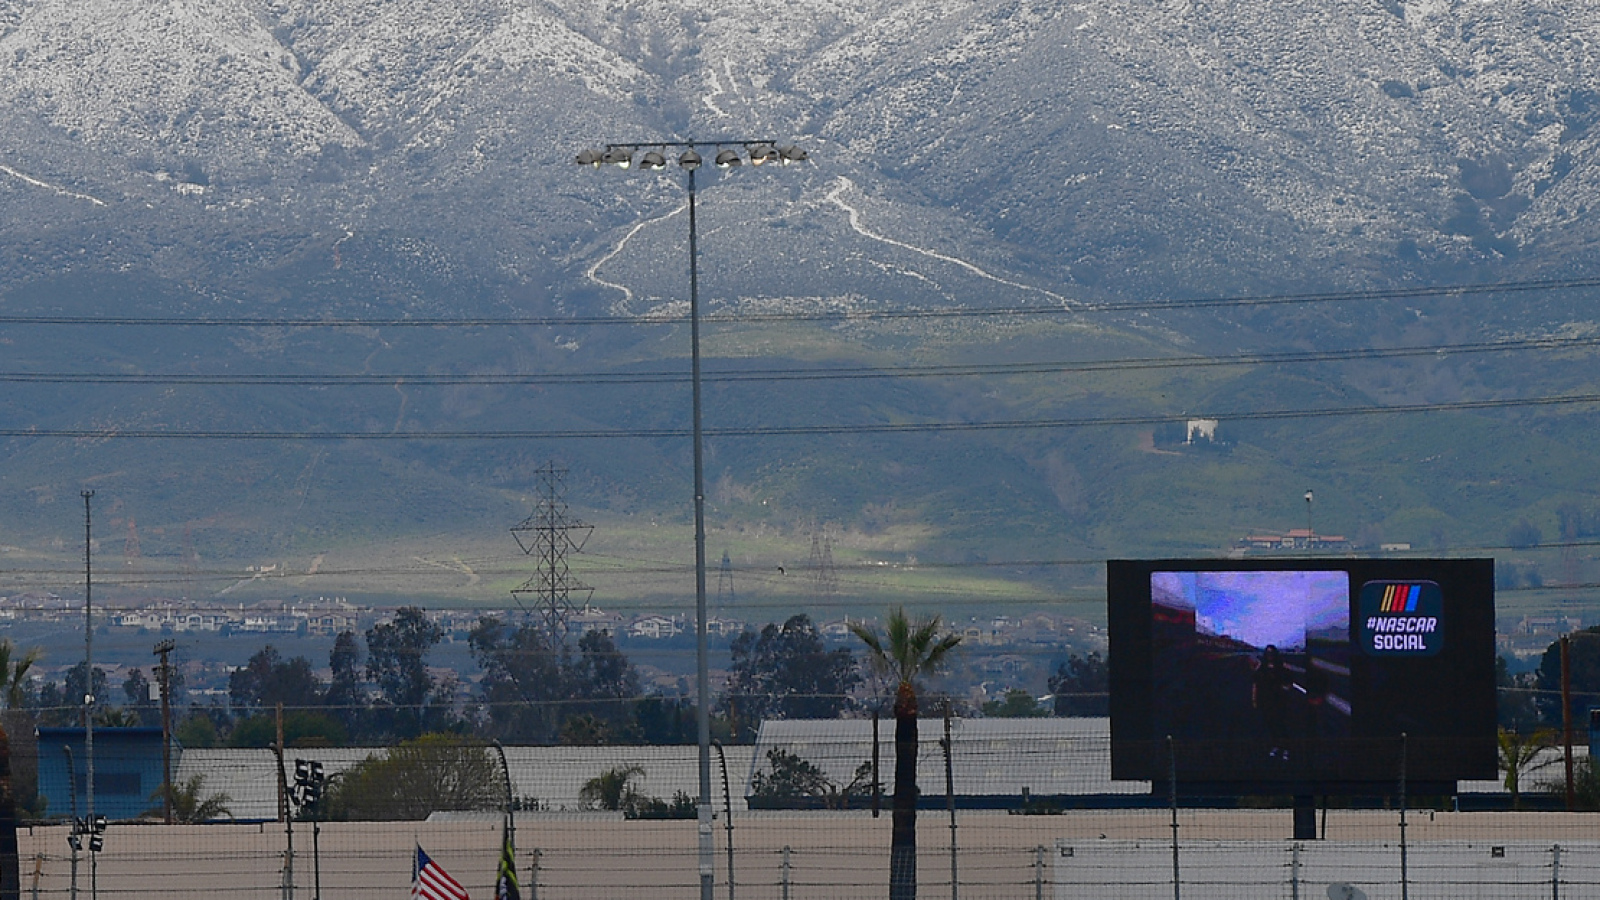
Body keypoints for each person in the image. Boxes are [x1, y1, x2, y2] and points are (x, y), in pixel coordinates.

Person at [1252, 645, 1293, 761]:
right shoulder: (1261, 667)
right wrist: (1254, 699)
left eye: (1271, 652)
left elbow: (1289, 682)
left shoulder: (1281, 667)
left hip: (1279, 700)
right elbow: (1255, 684)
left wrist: (1285, 688)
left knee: (1281, 724)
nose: (1269, 655)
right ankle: (1276, 746)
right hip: (1266, 701)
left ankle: (1286, 748)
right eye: (1268, 653)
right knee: (1271, 725)